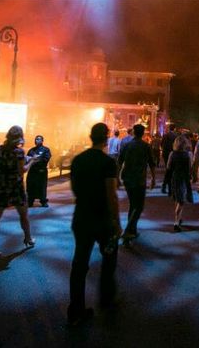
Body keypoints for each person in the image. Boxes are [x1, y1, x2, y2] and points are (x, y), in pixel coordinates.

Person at [68, 123, 122, 326]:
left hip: (81, 217)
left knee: (79, 264)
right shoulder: (108, 163)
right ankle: (107, 299)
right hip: (103, 220)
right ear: (106, 139)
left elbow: (74, 189)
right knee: (109, 258)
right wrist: (116, 222)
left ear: (91, 137)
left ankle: (76, 310)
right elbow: (112, 195)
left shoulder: (78, 160)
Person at [0, 126, 38, 258]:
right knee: (23, 215)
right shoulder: (19, 152)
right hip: (16, 187)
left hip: (1, 185)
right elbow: (22, 170)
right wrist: (31, 160)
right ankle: (28, 238)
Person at [118, 124, 155, 244]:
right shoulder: (146, 146)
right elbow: (151, 163)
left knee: (133, 205)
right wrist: (153, 178)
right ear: (143, 133)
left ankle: (131, 231)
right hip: (139, 179)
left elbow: (120, 161)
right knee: (138, 206)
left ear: (133, 132)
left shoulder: (127, 145)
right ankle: (128, 231)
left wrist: (117, 177)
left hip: (128, 178)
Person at [167, 135, 193, 232]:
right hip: (184, 178)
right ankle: (176, 221)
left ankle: (179, 217)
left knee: (177, 198)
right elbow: (190, 168)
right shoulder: (188, 154)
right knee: (181, 200)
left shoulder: (172, 154)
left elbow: (168, 167)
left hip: (175, 177)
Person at [26, 135, 51, 207]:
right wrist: (33, 160)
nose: (37, 140)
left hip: (41, 171)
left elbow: (46, 159)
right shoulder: (31, 150)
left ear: (42, 141)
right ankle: (30, 201)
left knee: (42, 186)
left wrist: (36, 160)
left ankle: (43, 201)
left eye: (39, 139)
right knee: (31, 186)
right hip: (32, 171)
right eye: (36, 139)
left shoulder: (46, 149)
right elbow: (27, 159)